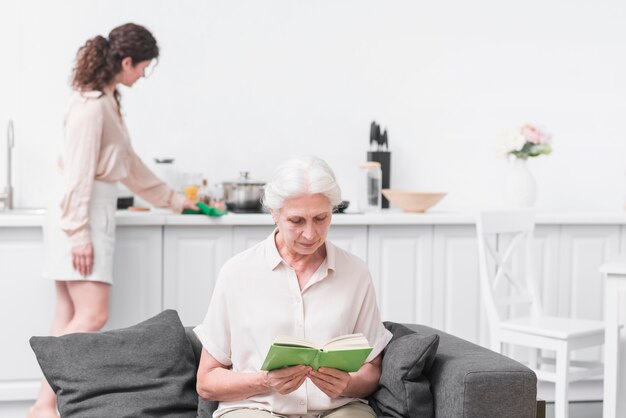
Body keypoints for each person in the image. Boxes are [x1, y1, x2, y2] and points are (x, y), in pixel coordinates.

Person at [30, 23, 198, 418]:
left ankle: (43, 404)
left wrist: (174, 200)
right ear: (126, 61)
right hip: (80, 216)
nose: (143, 75)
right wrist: (78, 234)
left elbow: (130, 166)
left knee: (68, 314)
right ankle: (43, 405)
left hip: (83, 214)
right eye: (144, 67)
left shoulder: (108, 101)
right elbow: (78, 174)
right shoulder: (91, 107)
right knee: (92, 314)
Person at [194, 156, 392, 418]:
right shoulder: (237, 273)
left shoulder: (355, 272)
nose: (310, 234)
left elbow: (372, 368)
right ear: (274, 215)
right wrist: (264, 381)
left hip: (337, 410)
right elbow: (206, 382)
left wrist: (350, 384)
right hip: (256, 409)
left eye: (320, 218)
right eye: (297, 221)